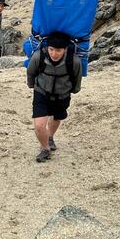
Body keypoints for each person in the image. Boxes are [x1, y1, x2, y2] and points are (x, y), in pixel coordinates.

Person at [26, 31, 82, 162]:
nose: (54, 53)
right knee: (39, 126)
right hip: (41, 93)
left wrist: (74, 90)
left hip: (62, 95)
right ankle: (45, 148)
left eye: (58, 50)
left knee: (57, 118)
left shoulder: (73, 61)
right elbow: (31, 72)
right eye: (51, 49)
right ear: (47, 47)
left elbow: (77, 77)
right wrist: (31, 85)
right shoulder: (38, 57)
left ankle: (50, 137)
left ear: (65, 49)